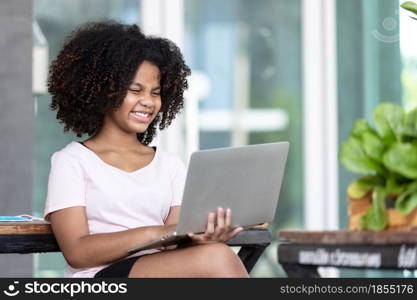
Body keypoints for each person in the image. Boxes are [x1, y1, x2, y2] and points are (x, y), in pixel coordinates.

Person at [43, 21, 248, 278]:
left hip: (163, 272)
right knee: (217, 257)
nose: (148, 102)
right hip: (99, 277)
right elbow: (77, 251)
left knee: (215, 252)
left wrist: (205, 235)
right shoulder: (71, 161)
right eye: (135, 90)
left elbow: (178, 237)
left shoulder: (169, 165)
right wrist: (156, 232)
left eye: (156, 92)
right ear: (104, 91)